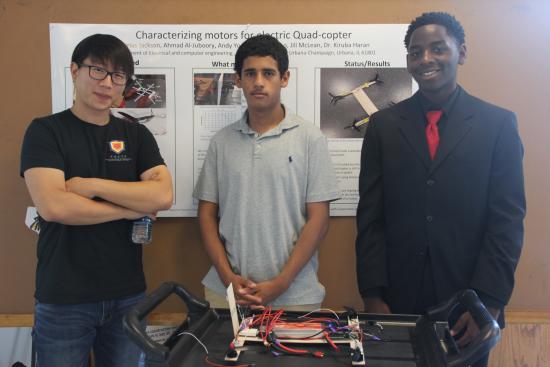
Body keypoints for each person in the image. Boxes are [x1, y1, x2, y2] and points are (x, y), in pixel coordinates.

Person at [355, 12, 525, 366]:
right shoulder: (383, 127)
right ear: (408, 61)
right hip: (396, 300)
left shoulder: (497, 124)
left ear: (460, 52)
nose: (425, 59)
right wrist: (373, 295)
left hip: (468, 304)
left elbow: (507, 220)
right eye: (415, 53)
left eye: (437, 49)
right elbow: (370, 217)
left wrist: (488, 302)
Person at [20, 34, 173, 367]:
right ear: (74, 70)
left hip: (127, 295)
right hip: (64, 298)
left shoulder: (136, 135)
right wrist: (130, 207)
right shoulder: (45, 131)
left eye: (118, 76)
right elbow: (54, 207)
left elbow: (162, 195)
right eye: (98, 71)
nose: (107, 83)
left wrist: (89, 186)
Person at [193, 34, 340, 311]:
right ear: (238, 80)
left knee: (292, 357)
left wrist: (281, 283)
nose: (258, 82)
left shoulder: (310, 138)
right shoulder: (221, 142)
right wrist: (228, 278)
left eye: (268, 73)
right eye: (250, 73)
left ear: (284, 78)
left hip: (296, 295)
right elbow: (206, 215)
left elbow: (319, 218)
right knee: (220, 356)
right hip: (227, 295)